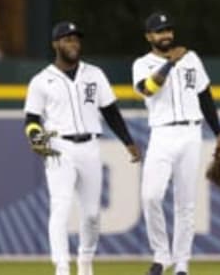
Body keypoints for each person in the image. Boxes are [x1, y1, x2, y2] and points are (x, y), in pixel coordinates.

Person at [24, 21, 141, 275]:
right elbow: (32, 119)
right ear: (56, 44)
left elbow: (110, 111)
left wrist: (128, 141)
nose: (73, 43)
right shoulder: (41, 81)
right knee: (61, 207)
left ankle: (85, 260)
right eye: (67, 39)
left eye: (76, 39)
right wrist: (35, 137)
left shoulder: (94, 74)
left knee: (91, 215)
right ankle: (62, 266)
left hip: (90, 146)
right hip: (58, 147)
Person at [132, 11, 220, 275]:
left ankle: (182, 263)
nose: (166, 35)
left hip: (191, 133)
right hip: (162, 134)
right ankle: (161, 255)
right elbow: (147, 89)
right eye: (160, 31)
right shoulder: (142, 64)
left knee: (186, 202)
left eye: (168, 30)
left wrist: (219, 135)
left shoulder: (192, 59)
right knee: (151, 196)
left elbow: (205, 97)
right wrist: (169, 64)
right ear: (149, 36)